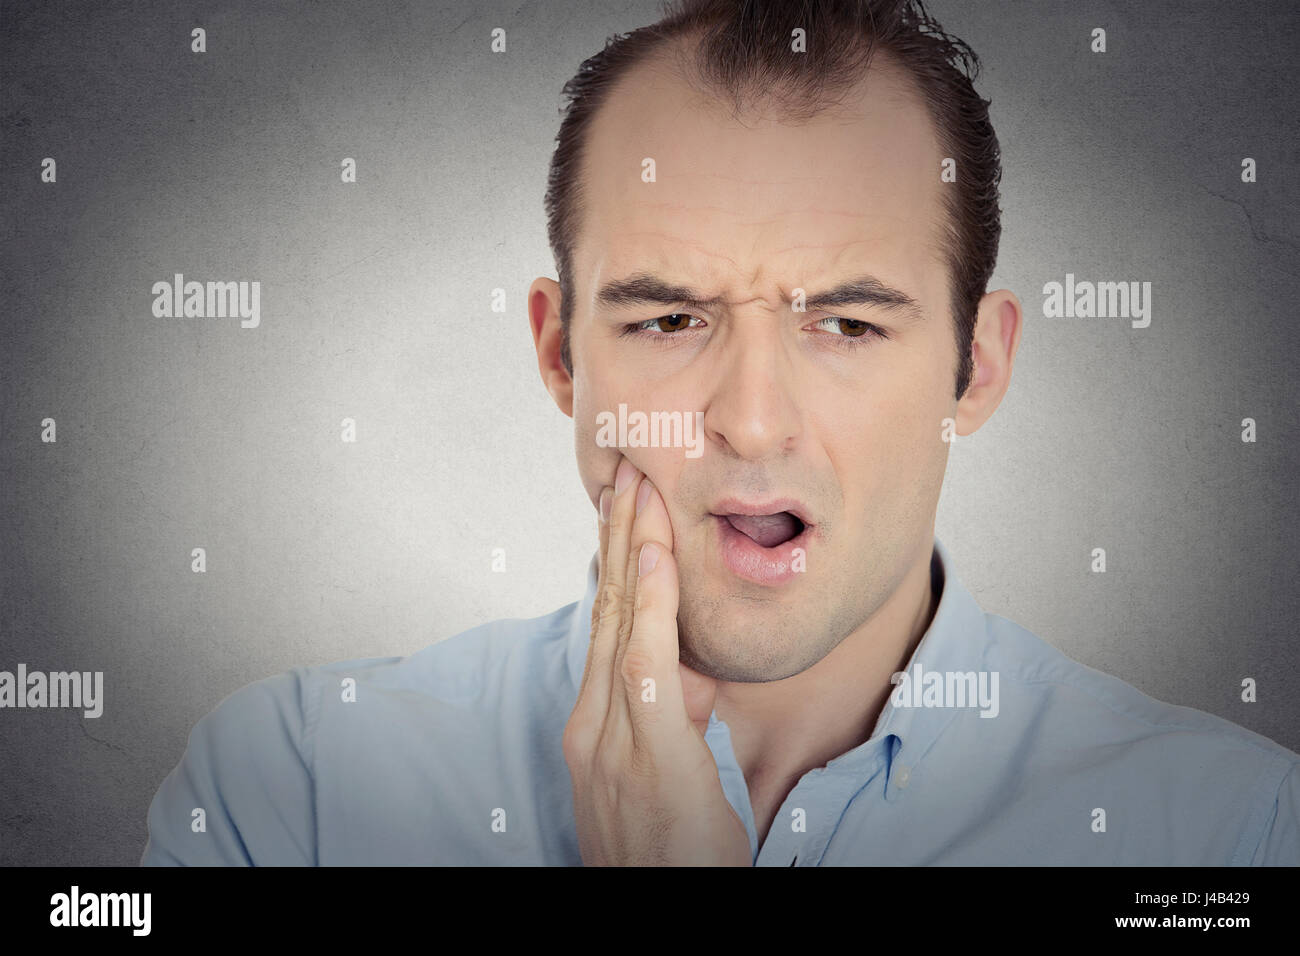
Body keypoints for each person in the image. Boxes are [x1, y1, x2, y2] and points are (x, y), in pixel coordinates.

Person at [141, 0, 1298, 866]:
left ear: (975, 367)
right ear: (560, 357)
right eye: (669, 317)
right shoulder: (292, 790)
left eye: (845, 322)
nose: (750, 418)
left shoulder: (1230, 838)